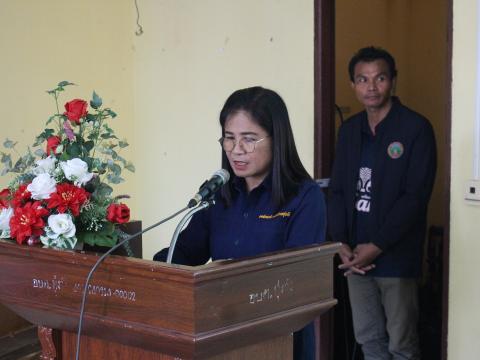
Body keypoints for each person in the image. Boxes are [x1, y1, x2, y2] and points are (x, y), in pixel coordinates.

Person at [154, 86, 326, 359]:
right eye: (229, 138)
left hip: (279, 341)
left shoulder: (304, 197)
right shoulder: (219, 195)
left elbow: (298, 281)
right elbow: (185, 255)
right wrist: (141, 269)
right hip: (220, 333)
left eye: (249, 139)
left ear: (276, 139)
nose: (236, 150)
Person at [328, 46, 436, 359]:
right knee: (368, 340)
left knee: (401, 344)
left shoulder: (415, 129)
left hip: (396, 256)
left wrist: (377, 244)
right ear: (353, 85)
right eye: (362, 79)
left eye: (380, 78)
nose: (371, 87)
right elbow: (337, 192)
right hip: (354, 257)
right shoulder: (349, 130)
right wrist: (340, 243)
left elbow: (415, 197)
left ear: (393, 81)